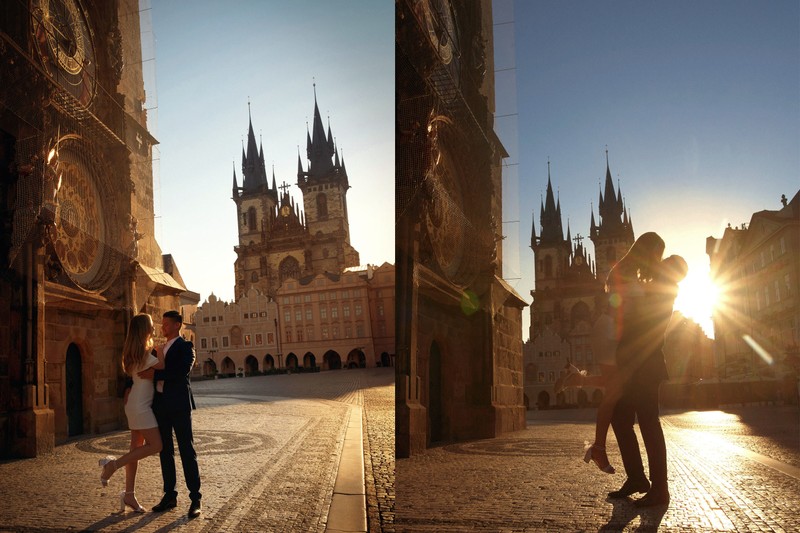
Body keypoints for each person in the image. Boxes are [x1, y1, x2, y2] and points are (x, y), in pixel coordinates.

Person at [557, 232, 666, 475]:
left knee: (613, 386)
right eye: (657, 254)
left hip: (607, 329)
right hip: (610, 330)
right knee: (613, 391)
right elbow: (626, 308)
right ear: (649, 252)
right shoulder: (628, 273)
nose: (658, 260)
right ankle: (598, 447)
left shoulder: (625, 268)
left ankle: (579, 383)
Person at [608, 254, 687, 507]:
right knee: (622, 419)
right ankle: (637, 478)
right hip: (638, 365)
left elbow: (638, 318)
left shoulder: (663, 291)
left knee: (648, 424)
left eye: (663, 264)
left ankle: (660, 489)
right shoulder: (657, 288)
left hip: (645, 366)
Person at [98, 313, 164, 513]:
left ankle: (129, 495)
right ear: (144, 330)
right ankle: (112, 465)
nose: (154, 329)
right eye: (151, 326)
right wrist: (160, 348)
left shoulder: (133, 353)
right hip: (141, 407)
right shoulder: (147, 354)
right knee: (157, 445)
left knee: (136, 448)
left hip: (135, 403)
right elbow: (163, 366)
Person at [142, 310, 202, 519]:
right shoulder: (156, 348)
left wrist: (154, 373)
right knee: (165, 451)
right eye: (162, 324)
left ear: (177, 325)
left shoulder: (186, 347)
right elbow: (143, 370)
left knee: (187, 449)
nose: (163, 327)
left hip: (179, 405)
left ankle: (195, 498)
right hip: (160, 406)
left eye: (167, 324)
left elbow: (179, 372)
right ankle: (170, 495)